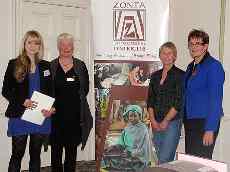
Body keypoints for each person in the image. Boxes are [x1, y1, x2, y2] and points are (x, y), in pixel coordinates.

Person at [2, 30, 54, 172]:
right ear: (24, 44)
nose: (33, 46)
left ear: (40, 46)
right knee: (17, 154)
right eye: (29, 42)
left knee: (35, 155)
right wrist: (22, 101)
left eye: (36, 43)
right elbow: (6, 90)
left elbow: (51, 92)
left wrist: (52, 108)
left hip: (39, 116)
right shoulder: (14, 64)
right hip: (20, 115)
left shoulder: (46, 66)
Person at [50, 33, 93, 172]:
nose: (66, 47)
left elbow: (85, 89)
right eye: (63, 44)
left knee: (71, 153)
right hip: (55, 117)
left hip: (75, 117)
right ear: (58, 47)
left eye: (69, 44)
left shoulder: (80, 65)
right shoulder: (51, 66)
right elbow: (46, 90)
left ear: (73, 47)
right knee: (55, 153)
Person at [184, 29, 225, 159]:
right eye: (191, 44)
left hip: (205, 122)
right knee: (191, 162)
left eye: (197, 43)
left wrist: (210, 129)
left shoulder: (213, 66)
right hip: (191, 121)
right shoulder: (191, 67)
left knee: (202, 162)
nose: (193, 47)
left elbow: (216, 99)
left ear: (205, 46)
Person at [147, 42, 184, 164]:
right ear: (160, 56)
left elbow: (178, 102)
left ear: (174, 56)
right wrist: (152, 120)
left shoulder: (181, 75)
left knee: (165, 159)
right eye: (164, 53)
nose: (167, 56)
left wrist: (166, 120)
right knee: (158, 158)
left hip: (172, 122)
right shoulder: (155, 76)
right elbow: (150, 100)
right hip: (156, 122)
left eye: (170, 53)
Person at [101, 104, 157, 171]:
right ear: (127, 116)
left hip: (138, 156)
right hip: (126, 151)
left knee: (121, 162)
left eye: (135, 116)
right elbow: (121, 141)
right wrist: (114, 147)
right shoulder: (127, 128)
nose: (133, 118)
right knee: (106, 153)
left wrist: (132, 153)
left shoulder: (143, 129)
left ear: (139, 116)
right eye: (131, 116)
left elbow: (144, 148)